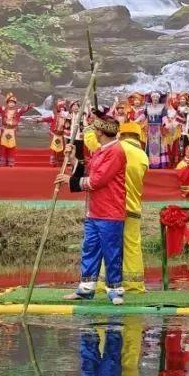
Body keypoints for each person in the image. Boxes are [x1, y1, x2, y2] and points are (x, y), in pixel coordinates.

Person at [58, 111, 128, 305]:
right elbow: (89, 170)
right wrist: (73, 159)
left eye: (96, 128)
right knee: (90, 248)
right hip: (95, 210)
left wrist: (70, 180)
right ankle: (86, 288)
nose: (94, 131)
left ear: (102, 132)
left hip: (110, 211)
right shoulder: (101, 150)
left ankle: (115, 290)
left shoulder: (115, 151)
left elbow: (98, 181)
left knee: (111, 251)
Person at [84, 121, 150, 293]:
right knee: (132, 245)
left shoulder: (114, 149)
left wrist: (91, 125)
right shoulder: (143, 156)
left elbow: (92, 141)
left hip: (112, 206)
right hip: (133, 206)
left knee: (108, 246)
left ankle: (102, 285)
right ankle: (134, 285)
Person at [0, 92, 31, 167]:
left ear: (15, 104)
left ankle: (11, 162)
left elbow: (24, 110)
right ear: (7, 103)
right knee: (3, 146)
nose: (11, 104)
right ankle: (2, 162)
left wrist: (29, 106)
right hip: (5, 130)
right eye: (10, 102)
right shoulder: (4, 110)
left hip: (12, 131)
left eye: (13, 103)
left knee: (11, 146)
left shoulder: (17, 111)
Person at [141, 91, 170, 169]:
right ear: (151, 98)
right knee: (150, 146)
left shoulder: (162, 107)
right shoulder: (147, 107)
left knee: (159, 146)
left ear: (159, 98)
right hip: (150, 130)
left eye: (157, 97)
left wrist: (167, 124)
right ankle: (150, 163)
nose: (155, 99)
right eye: (154, 97)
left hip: (158, 130)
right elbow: (143, 116)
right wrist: (135, 121)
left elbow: (164, 118)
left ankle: (158, 164)